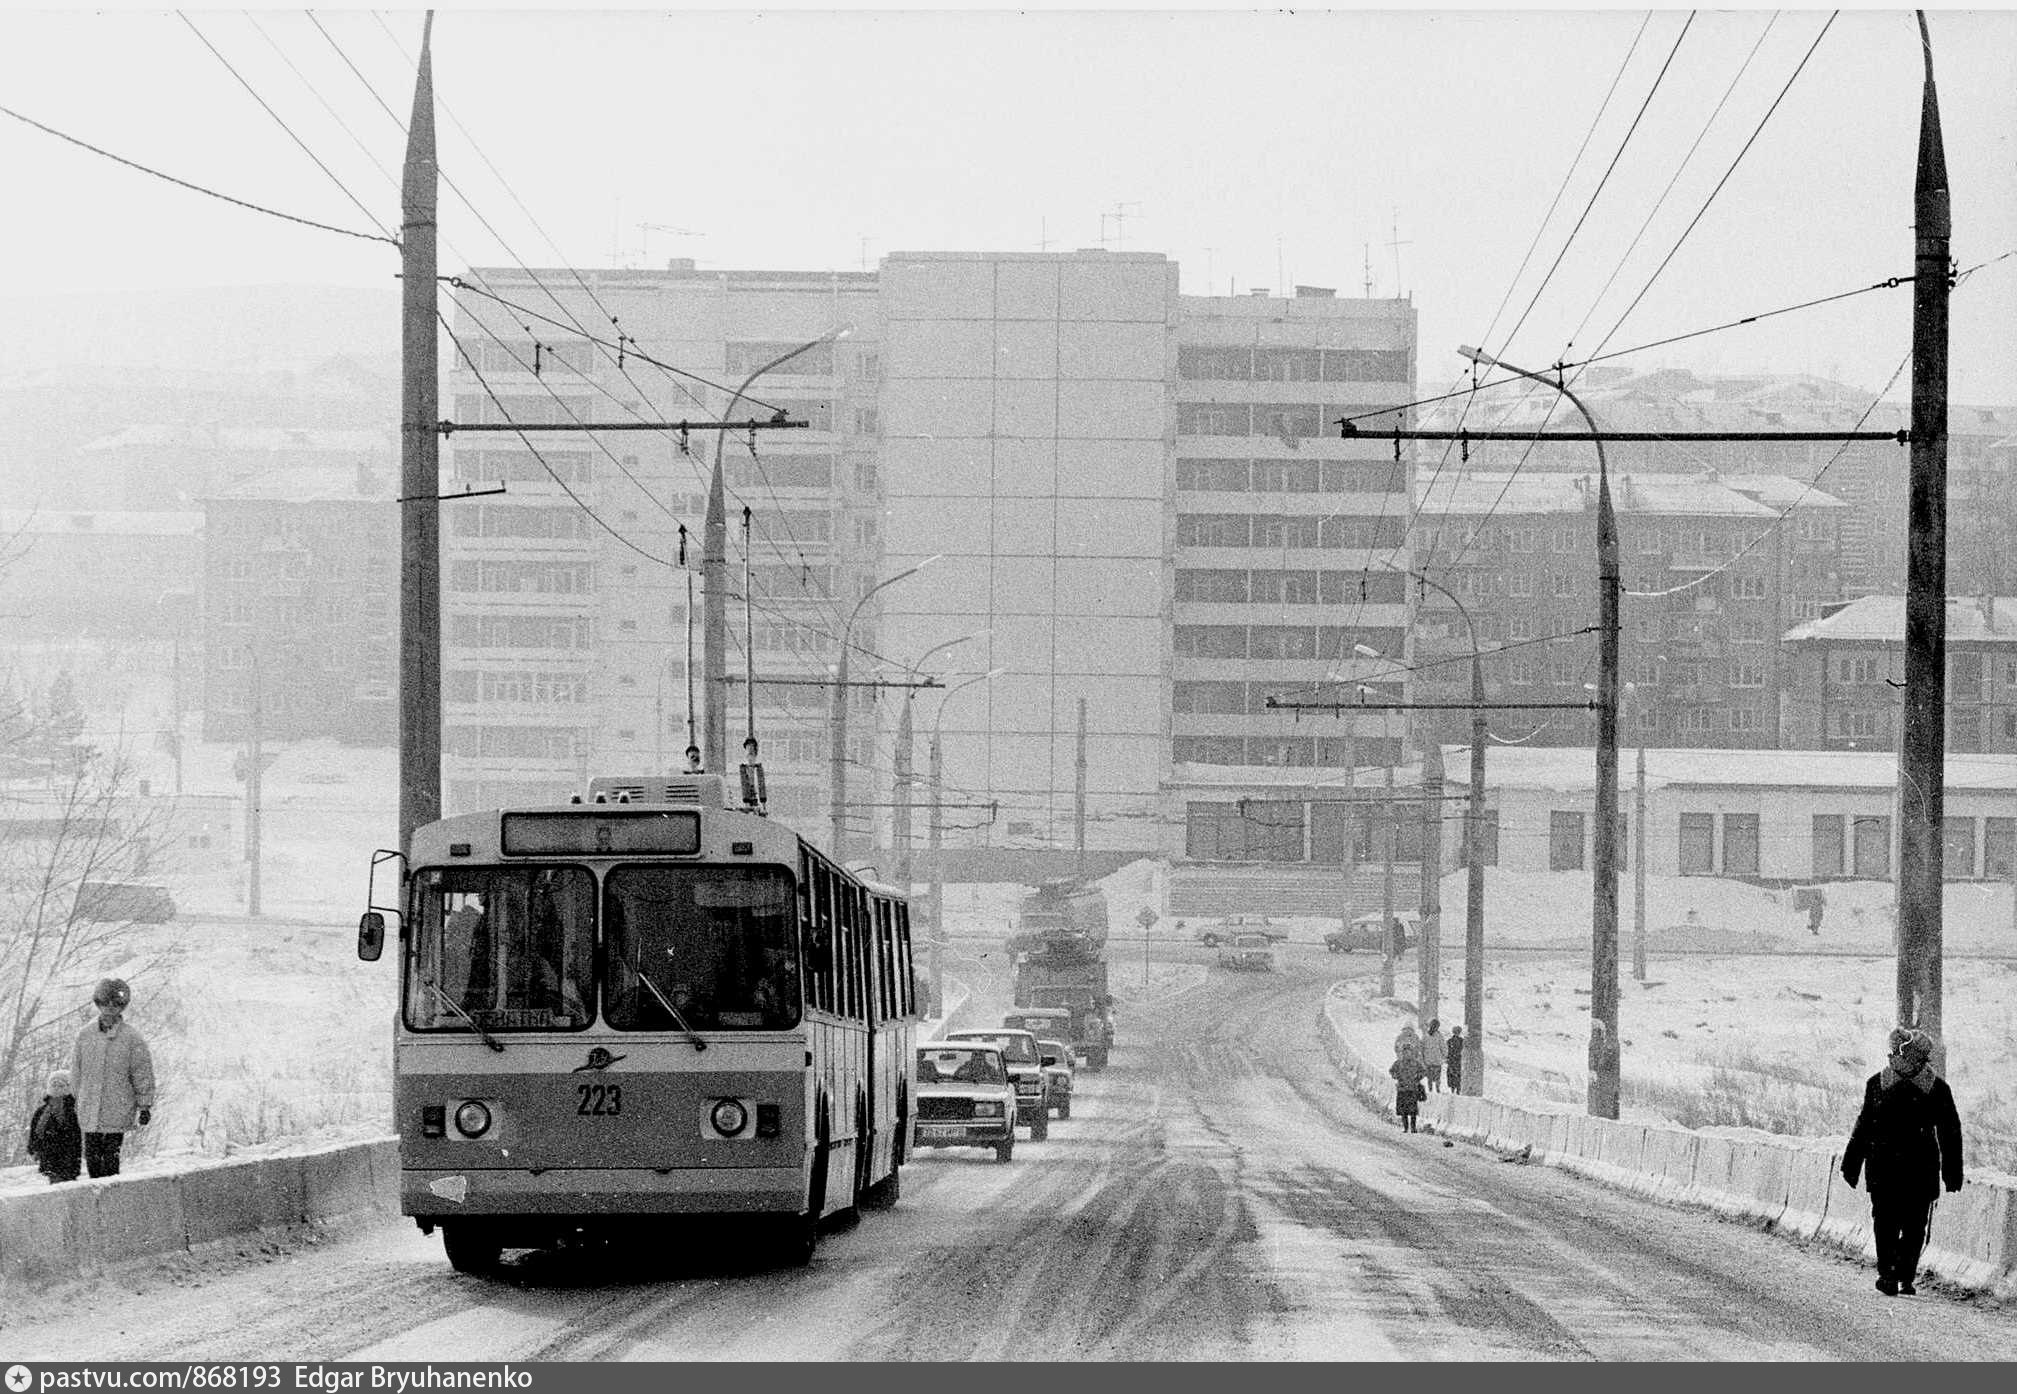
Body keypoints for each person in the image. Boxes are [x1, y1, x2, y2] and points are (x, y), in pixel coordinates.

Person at [1841, 1026, 1964, 1296]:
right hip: (1890, 1169)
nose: (1891, 1058)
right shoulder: (1877, 1084)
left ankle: (1904, 1275)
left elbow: (1949, 1132)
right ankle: (1889, 1274)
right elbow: (1864, 1125)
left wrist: (1952, 1172)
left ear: (1914, 1059)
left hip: (1913, 1170)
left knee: (1911, 1225)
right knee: (1887, 1223)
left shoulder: (1936, 1090)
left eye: (1896, 1054)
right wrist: (1851, 1163)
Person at [72, 977, 155, 1179]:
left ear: (122, 1006)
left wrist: (145, 1105)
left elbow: (141, 1072)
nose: (110, 1007)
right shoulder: (85, 1035)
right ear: (97, 1003)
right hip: (89, 1106)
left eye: (116, 1003)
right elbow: (77, 1070)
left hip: (117, 1107)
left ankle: (111, 1201)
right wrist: (75, 1099)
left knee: (110, 1159)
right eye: (104, 1002)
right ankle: (96, 1204)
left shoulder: (131, 1037)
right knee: (91, 1158)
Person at [26, 1068, 82, 1184]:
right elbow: (34, 1132)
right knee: (54, 1186)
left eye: (61, 1085)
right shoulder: (42, 1110)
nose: (57, 1088)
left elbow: (78, 1134)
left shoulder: (75, 1109)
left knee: (66, 1187)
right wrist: (33, 1148)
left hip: (68, 1158)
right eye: (54, 1085)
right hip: (48, 1157)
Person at [1390, 1039, 1428, 1133]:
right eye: (1405, 1051)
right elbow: (1392, 1071)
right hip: (1402, 1088)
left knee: (1413, 1110)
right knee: (1404, 1111)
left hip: (1412, 1089)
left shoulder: (1416, 1063)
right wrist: (1396, 1076)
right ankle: (1406, 1127)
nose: (1407, 1053)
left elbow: (1423, 1071)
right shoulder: (1399, 1063)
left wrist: (1418, 1077)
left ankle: (1413, 1127)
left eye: (1409, 1051)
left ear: (1412, 1052)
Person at [1422, 1018, 1447, 1094]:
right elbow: (1443, 1047)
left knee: (1429, 1077)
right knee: (1437, 1077)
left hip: (1428, 1060)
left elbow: (1422, 1047)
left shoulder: (1425, 1035)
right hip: (1437, 1060)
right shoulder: (1439, 1036)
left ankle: (1430, 1090)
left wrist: (1423, 1057)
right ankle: (1437, 1089)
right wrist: (1445, 1055)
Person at [1445, 1025, 1465, 1094]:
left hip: (1452, 1060)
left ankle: (1453, 1089)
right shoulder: (1462, 1041)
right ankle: (1458, 1089)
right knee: (1458, 1075)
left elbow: (1446, 1051)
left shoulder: (1449, 1041)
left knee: (1452, 1075)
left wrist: (1447, 1058)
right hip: (1458, 1060)